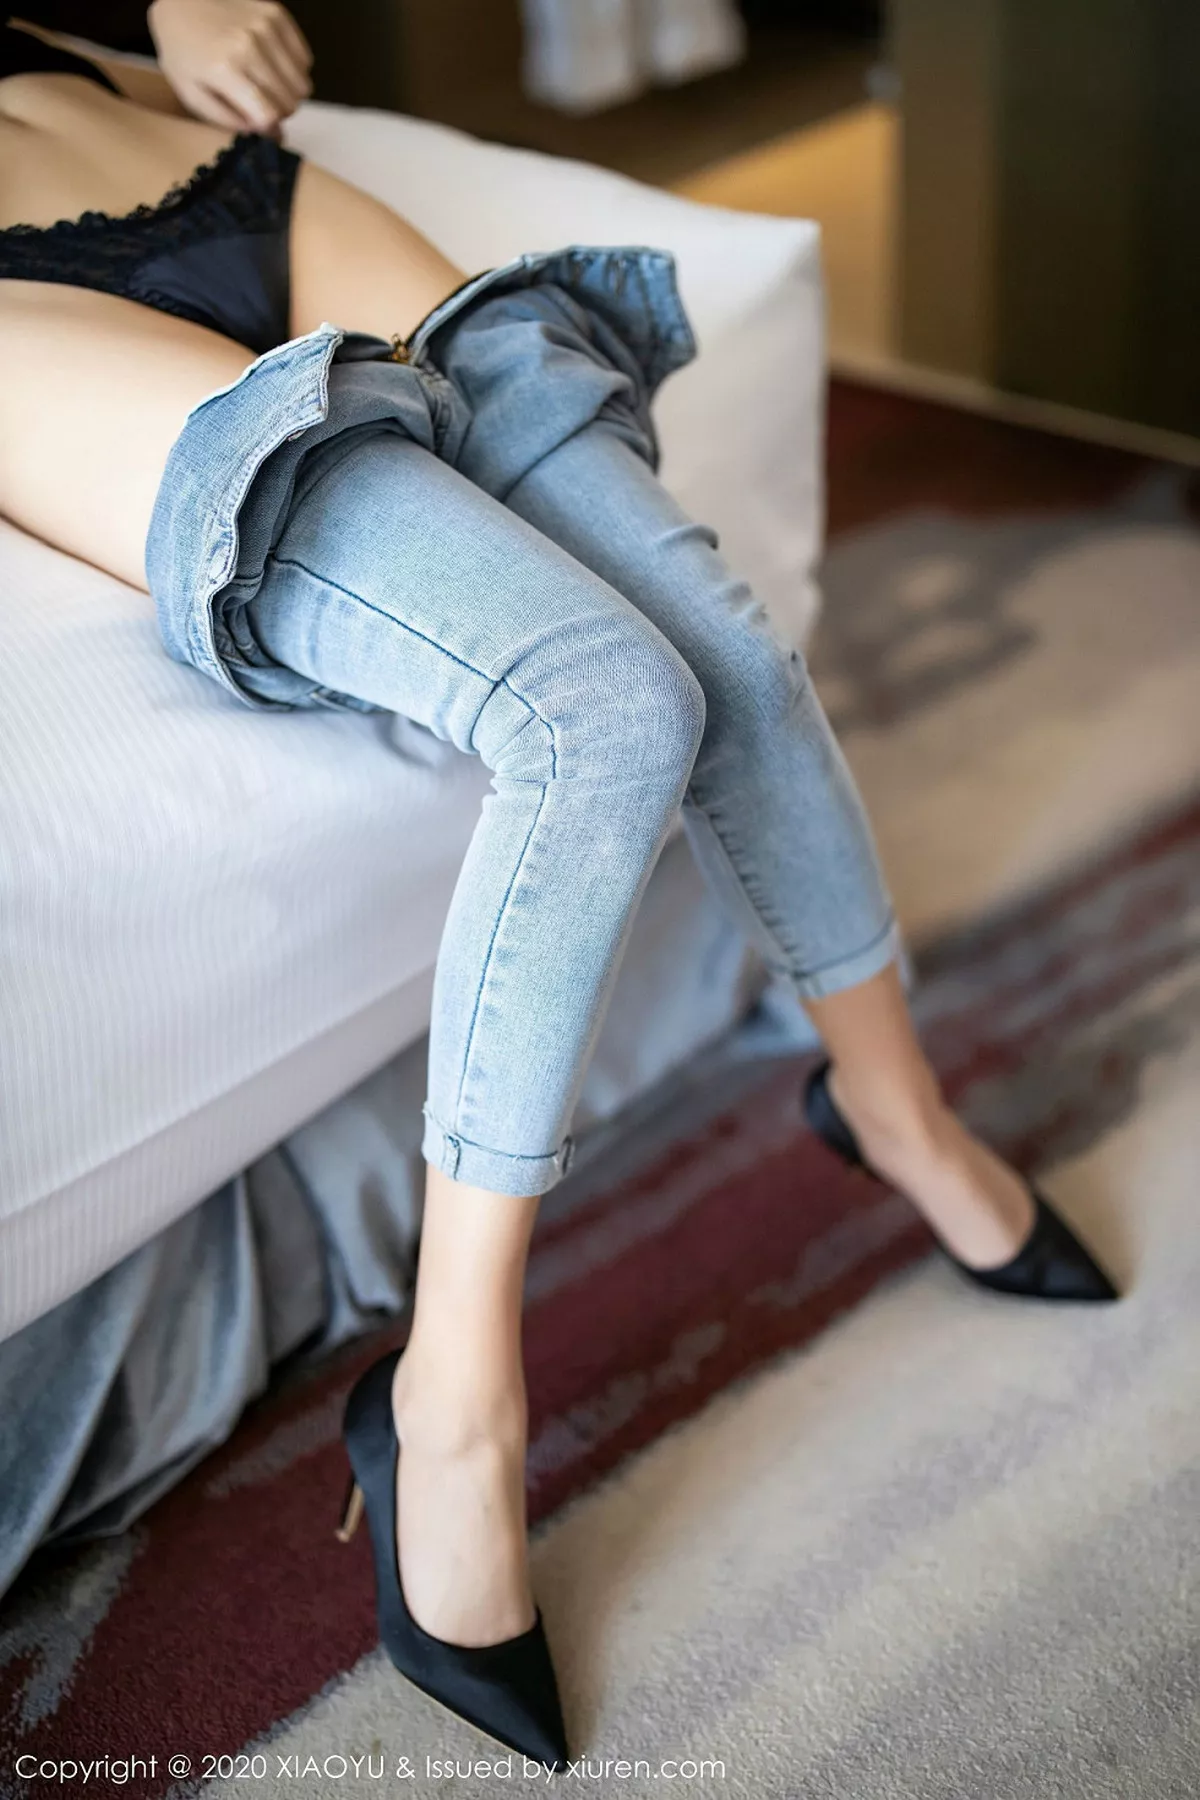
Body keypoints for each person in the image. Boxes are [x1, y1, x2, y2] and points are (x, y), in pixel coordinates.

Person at [0, 1, 1120, 1768]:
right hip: (22, 314)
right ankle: (452, 1403)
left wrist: (171, 24)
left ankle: (895, 1109)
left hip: (203, 165)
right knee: (601, 705)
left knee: (728, 663)